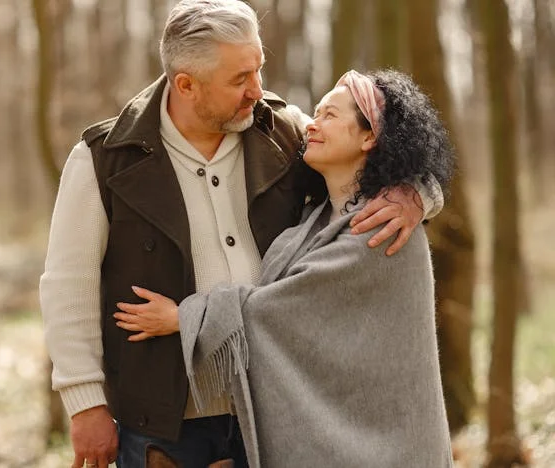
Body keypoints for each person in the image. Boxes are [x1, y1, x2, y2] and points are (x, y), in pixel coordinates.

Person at [39, 1, 442, 466]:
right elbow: (69, 284)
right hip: (166, 423)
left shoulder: (283, 131)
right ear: (186, 84)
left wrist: (417, 194)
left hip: (275, 408)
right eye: (239, 79)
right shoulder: (104, 158)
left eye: (258, 69)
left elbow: (375, 155)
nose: (257, 90)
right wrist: (85, 402)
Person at [113, 69, 454, 467]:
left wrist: (182, 318)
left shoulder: (384, 227)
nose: (313, 125)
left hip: (391, 449)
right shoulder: (316, 216)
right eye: (316, 112)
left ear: (369, 136)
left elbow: (281, 309)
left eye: (329, 115)